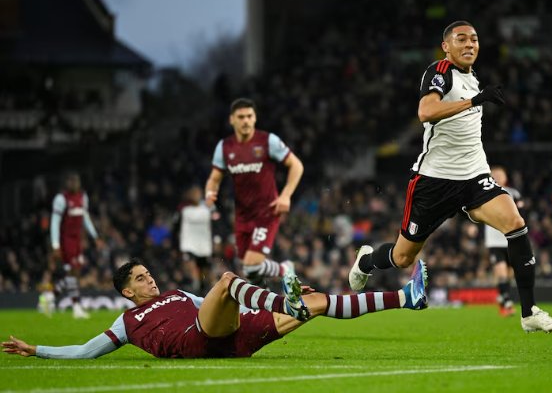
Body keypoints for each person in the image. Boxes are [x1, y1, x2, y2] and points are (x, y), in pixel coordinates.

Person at [348, 20, 552, 332]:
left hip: (474, 176)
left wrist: (476, 98)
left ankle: (529, 312)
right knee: (403, 256)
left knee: (515, 224)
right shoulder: (440, 71)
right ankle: (366, 261)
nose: (469, 44)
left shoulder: (473, 78)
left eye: (474, 39)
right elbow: (426, 111)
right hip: (434, 181)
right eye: (461, 39)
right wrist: (475, 101)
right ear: (446, 46)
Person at [2, 258, 428, 359]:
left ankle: (405, 298)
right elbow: (82, 352)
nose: (149, 279)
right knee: (226, 281)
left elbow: (215, 306)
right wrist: (35, 349)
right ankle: (286, 300)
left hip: (233, 340)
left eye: (147, 274)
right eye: (139, 279)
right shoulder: (126, 323)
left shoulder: (176, 295)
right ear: (127, 293)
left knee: (316, 302)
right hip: (199, 340)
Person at [205, 98, 304, 285]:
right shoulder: (225, 147)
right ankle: (263, 308)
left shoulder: (268, 141)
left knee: (252, 265)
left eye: (249, 116)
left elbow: (296, 165)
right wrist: (210, 194)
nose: (245, 121)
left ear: (255, 118)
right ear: (231, 120)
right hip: (242, 215)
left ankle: (285, 269)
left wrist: (285, 195)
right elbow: (214, 178)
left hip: (266, 211)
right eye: (241, 117)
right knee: (250, 272)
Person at [50, 172, 104, 319]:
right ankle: (76, 307)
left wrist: (95, 237)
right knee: (73, 272)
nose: (74, 184)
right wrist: (55, 245)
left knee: (75, 273)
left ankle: (49, 297)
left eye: (76, 181)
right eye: (71, 181)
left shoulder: (82, 197)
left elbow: (85, 218)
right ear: (67, 183)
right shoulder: (61, 199)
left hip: (77, 240)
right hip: (66, 240)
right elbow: (54, 223)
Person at [484, 166, 523, 317]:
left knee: (508, 274)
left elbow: (521, 213)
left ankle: (502, 297)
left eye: (501, 174)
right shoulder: (485, 192)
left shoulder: (513, 193)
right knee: (501, 272)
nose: (498, 176)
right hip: (494, 241)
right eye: (495, 175)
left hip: (510, 239)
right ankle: (506, 303)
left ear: (505, 176)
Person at [177, 186, 214, 293]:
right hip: (189, 244)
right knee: (191, 264)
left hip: (204, 246)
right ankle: (194, 285)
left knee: (205, 269)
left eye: (198, 193)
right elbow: (177, 226)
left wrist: (217, 239)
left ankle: (205, 287)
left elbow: (215, 223)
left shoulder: (207, 207)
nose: (196, 195)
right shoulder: (183, 209)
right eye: (194, 193)